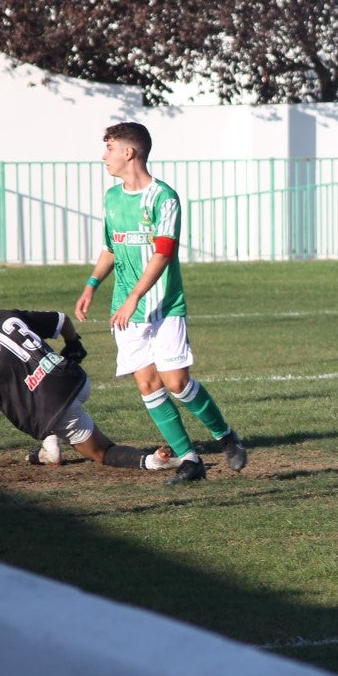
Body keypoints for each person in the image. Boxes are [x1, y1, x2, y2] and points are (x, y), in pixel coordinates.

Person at [75, 122, 247, 485]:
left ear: (129, 152)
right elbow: (111, 247)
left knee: (177, 382)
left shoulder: (165, 198)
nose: (103, 155)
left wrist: (135, 296)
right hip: (127, 309)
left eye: (108, 147)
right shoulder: (111, 197)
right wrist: (91, 285)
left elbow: (163, 254)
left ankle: (226, 436)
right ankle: (190, 460)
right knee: (148, 385)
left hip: (164, 306)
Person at [0, 283, 179, 475]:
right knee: (32, 398)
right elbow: (61, 320)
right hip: (73, 378)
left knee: (103, 452)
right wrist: (73, 344)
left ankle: (154, 460)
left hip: (56, 406)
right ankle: (50, 450)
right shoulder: (3, 315)